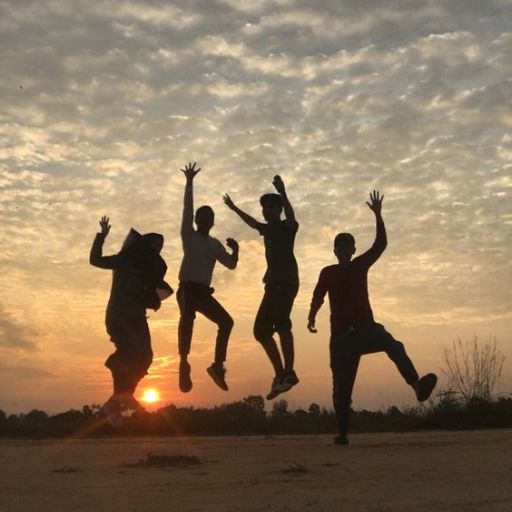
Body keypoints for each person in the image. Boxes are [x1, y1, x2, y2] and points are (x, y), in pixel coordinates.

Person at [307, 191, 437, 445]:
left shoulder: (360, 265)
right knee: (341, 390)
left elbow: (380, 245)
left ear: (353, 249)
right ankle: (342, 433)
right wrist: (311, 316)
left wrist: (378, 215)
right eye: (340, 246)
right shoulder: (328, 272)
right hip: (342, 338)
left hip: (365, 328)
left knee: (393, 344)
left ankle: (417, 386)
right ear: (335, 250)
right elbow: (318, 296)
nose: (344, 250)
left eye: (348, 246)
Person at [90, 216, 172, 427]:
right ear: (143, 245)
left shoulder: (150, 270)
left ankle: (117, 401)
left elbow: (153, 293)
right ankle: (118, 380)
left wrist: (154, 297)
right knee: (130, 353)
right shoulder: (124, 260)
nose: (155, 249)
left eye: (159, 247)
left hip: (137, 318)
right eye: (152, 244)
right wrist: (101, 236)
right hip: (118, 316)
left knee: (145, 357)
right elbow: (95, 260)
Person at [223, 175, 299, 400]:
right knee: (260, 331)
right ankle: (280, 376)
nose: (266, 210)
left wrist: (283, 192)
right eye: (264, 208)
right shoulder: (267, 229)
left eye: (270, 207)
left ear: (279, 209)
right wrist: (235, 208)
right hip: (271, 284)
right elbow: (252, 222)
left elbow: (292, 216)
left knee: (282, 322)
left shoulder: (288, 227)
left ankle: (290, 372)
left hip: (286, 282)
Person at [177, 162, 239, 393]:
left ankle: (217, 366)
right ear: (197, 220)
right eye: (203, 216)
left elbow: (231, 265)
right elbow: (186, 208)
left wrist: (236, 251)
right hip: (187, 290)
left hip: (203, 293)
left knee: (226, 322)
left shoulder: (214, 245)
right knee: (187, 319)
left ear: (212, 222)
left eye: (210, 216)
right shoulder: (188, 235)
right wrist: (190, 182)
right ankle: (183, 363)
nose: (207, 219)